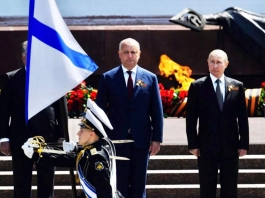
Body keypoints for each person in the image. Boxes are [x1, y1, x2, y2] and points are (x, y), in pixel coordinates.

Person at [95, 38, 164, 198]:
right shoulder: (108, 78)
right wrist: (99, 138)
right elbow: (99, 111)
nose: (130, 55)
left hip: (141, 141)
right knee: (119, 184)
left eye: (133, 52)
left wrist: (157, 138)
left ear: (139, 54)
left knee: (139, 185)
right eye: (126, 52)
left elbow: (156, 111)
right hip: (116, 141)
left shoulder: (150, 78)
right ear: (119, 54)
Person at [0, 41, 67, 198]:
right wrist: (3, 137)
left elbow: (61, 110)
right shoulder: (11, 78)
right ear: (24, 58)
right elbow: (3, 112)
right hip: (20, 137)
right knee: (21, 182)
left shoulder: (54, 78)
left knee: (46, 182)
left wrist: (63, 135)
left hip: (48, 139)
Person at [22, 98, 124, 198]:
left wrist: (38, 154)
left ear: (92, 134)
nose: (78, 133)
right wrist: (39, 152)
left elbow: (104, 193)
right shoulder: (99, 146)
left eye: (82, 130)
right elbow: (65, 158)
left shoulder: (96, 159)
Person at [186, 49, 249, 198]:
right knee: (207, 188)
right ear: (207, 63)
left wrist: (244, 144)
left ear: (226, 64)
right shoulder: (197, 86)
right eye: (212, 62)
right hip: (206, 146)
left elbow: (242, 117)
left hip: (231, 146)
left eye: (219, 62)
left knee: (230, 188)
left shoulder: (237, 86)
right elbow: (191, 118)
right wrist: (193, 144)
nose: (215, 65)